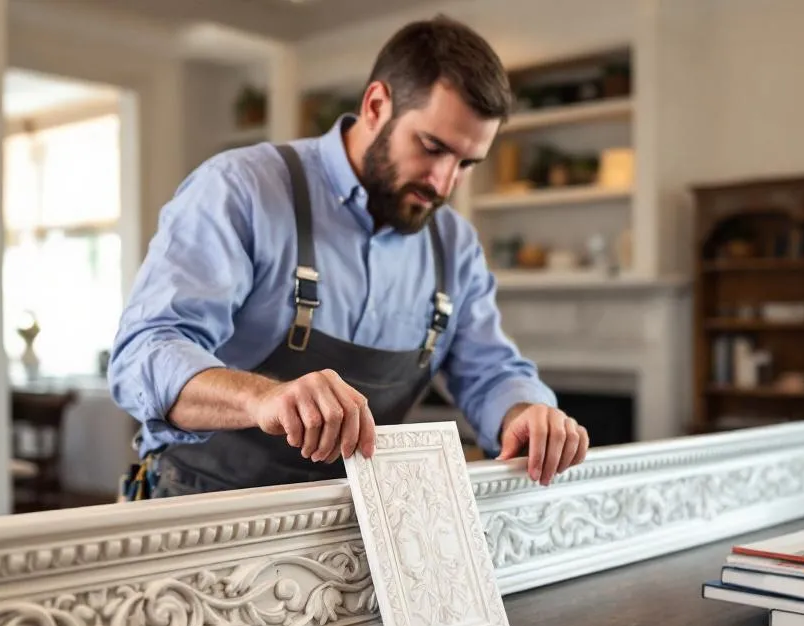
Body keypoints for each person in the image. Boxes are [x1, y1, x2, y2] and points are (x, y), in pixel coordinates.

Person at [108, 14, 590, 500]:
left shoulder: (454, 244)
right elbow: (145, 353)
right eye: (431, 147)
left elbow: (491, 371)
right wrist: (265, 398)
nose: (443, 184)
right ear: (377, 105)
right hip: (199, 508)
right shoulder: (241, 189)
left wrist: (524, 412)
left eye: (465, 163)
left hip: (353, 522)